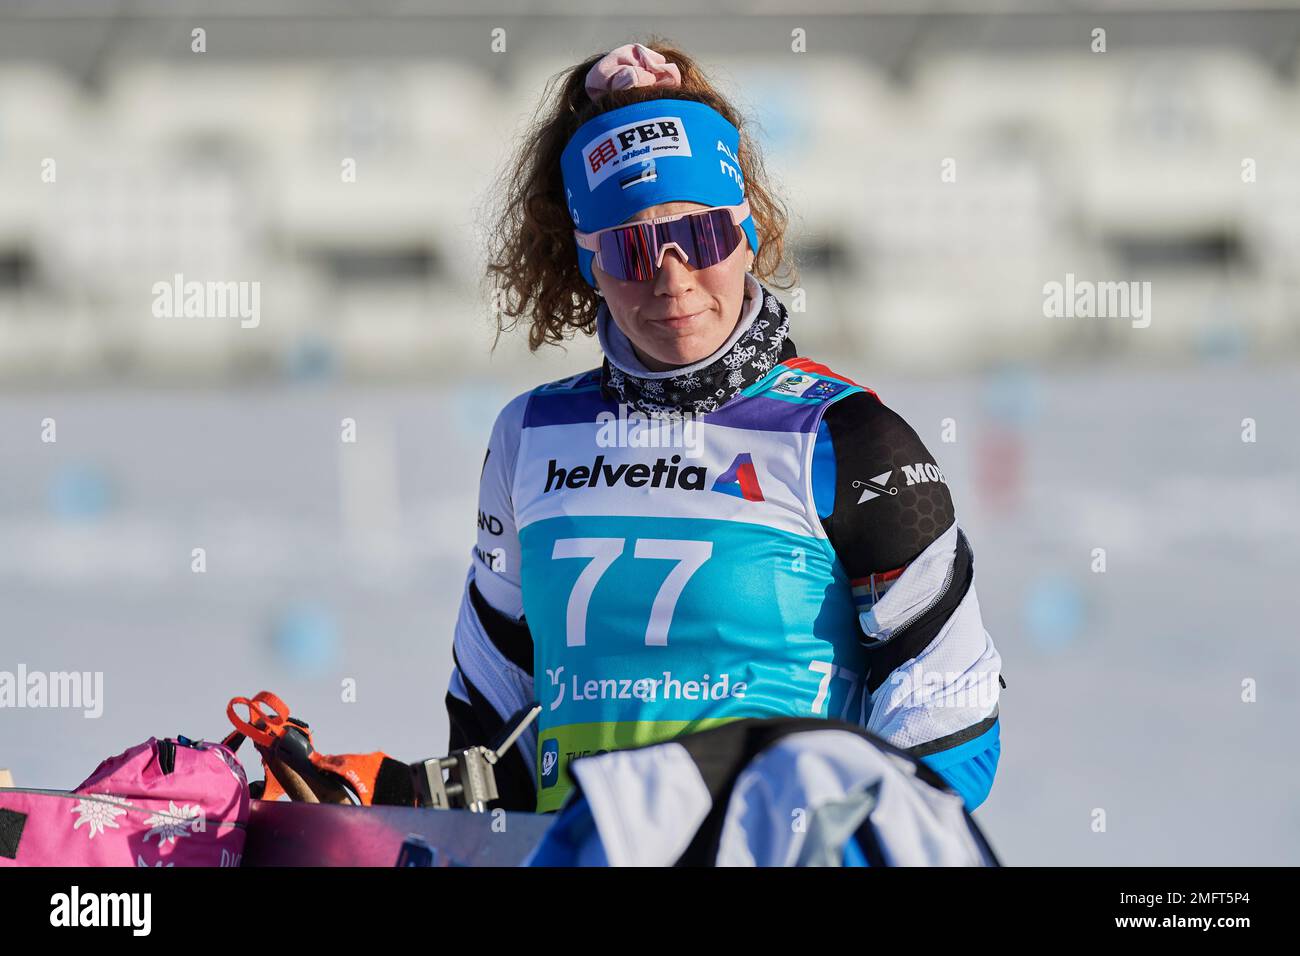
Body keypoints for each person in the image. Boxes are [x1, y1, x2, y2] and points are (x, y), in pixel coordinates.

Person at [446, 40, 1003, 815]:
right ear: (587, 262)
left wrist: (847, 838)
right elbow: (488, 702)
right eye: (633, 247)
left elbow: (949, 698)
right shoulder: (529, 434)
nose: (672, 279)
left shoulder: (846, 437)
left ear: (746, 229)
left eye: (701, 236)